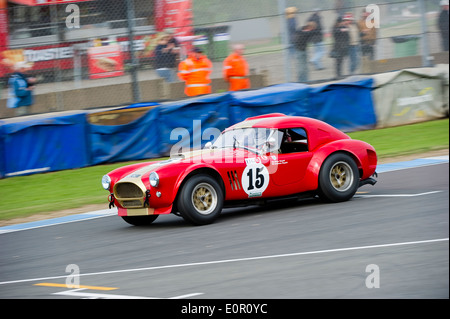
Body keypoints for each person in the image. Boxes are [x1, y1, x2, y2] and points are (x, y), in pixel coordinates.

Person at [358, 8, 377, 72]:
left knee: (372, 58)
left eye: (368, 13)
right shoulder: (359, 22)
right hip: (363, 42)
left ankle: (372, 70)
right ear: (363, 14)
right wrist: (362, 33)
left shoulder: (373, 21)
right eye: (365, 13)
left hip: (371, 42)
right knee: (364, 58)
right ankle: (365, 70)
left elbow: (375, 32)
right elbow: (358, 33)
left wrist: (374, 42)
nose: (366, 14)